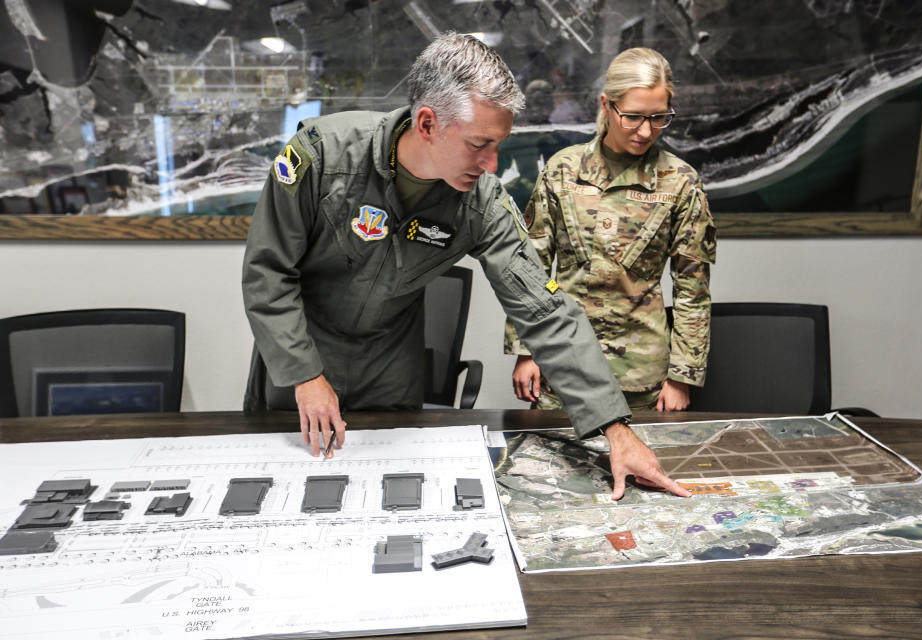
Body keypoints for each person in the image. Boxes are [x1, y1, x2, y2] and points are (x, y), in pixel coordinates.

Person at [242, 33, 690, 500]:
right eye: (480, 144)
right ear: (429, 123)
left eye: (499, 144)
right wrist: (306, 377)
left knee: (385, 497)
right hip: (299, 360)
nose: (492, 164)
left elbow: (545, 310)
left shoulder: (479, 202)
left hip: (389, 366)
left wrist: (616, 431)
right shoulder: (321, 157)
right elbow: (268, 272)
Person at [505, 47, 716, 414]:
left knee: (636, 471)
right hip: (562, 364)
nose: (646, 131)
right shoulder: (563, 170)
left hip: (641, 375)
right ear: (607, 105)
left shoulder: (680, 181)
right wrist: (526, 349)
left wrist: (682, 376)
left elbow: (692, 290)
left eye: (659, 117)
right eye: (633, 117)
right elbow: (533, 268)